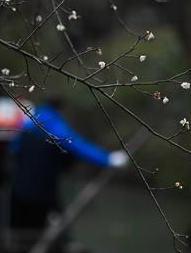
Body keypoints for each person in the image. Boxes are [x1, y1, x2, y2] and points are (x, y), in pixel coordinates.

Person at [9, 97, 129, 231]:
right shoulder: (53, 124)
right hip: (42, 190)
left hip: (18, 189)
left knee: (21, 226)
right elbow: (77, 145)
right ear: (60, 110)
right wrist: (108, 159)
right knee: (39, 222)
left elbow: (13, 149)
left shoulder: (29, 122)